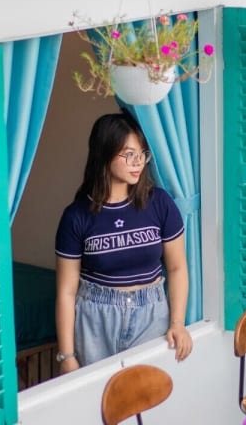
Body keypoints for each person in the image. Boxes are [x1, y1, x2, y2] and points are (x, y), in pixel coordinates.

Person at [54, 111, 193, 373]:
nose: (138, 162)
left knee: (148, 393)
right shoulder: (76, 216)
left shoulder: (160, 203)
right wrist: (67, 355)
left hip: (151, 316)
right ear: (104, 154)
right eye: (129, 154)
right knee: (98, 395)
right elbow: (66, 291)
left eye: (142, 154)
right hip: (95, 321)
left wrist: (177, 323)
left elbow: (177, 268)